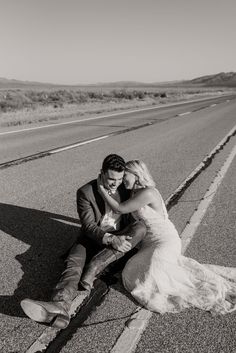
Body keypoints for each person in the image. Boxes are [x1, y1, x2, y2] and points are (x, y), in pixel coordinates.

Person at [20, 154, 146, 328]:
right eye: (111, 179)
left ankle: (96, 265)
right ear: (101, 173)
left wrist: (122, 238)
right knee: (73, 264)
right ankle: (60, 305)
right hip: (93, 237)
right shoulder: (85, 192)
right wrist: (110, 239)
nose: (115, 183)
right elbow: (88, 226)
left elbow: (134, 219)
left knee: (140, 228)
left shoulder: (125, 189)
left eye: (119, 179)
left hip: (119, 236)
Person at [97, 159, 236, 315]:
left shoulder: (148, 192)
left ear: (136, 174)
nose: (121, 181)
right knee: (133, 270)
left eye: (124, 177)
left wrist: (101, 189)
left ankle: (220, 292)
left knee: (147, 276)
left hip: (164, 240)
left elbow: (120, 209)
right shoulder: (133, 192)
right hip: (149, 243)